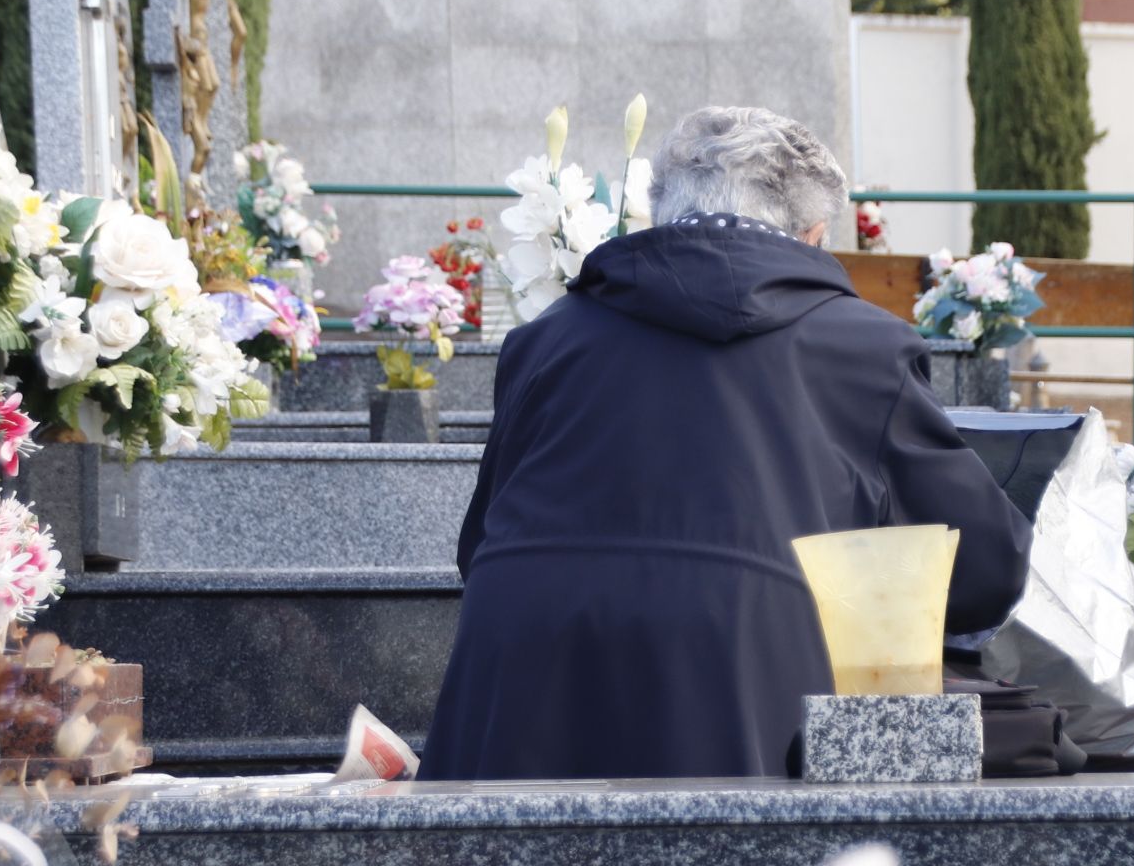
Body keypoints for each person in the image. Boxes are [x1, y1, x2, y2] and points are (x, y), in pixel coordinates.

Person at [420, 106, 1033, 779]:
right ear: (815, 233)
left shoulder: (545, 340)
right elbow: (980, 570)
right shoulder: (863, 347)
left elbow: (477, 544)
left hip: (515, 685)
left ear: (657, 217)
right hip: (740, 688)